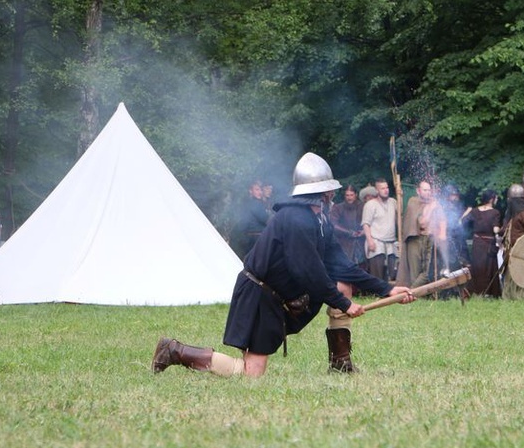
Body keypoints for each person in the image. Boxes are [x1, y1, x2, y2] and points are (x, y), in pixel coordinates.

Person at [151, 153, 415, 378]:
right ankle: (176, 351)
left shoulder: (320, 220)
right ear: (318, 193)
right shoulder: (296, 219)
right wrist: (345, 304)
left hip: (274, 296)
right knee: (250, 373)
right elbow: (309, 271)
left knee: (342, 285)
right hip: (258, 294)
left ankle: (339, 363)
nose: (333, 192)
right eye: (328, 189)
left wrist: (386, 289)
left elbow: (340, 264)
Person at [397, 180, 447, 288]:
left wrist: (442, 234)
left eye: (429, 190)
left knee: (428, 270)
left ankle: (414, 292)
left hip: (430, 239)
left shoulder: (435, 203)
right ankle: (414, 294)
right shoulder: (413, 201)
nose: (428, 192)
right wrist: (430, 208)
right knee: (415, 270)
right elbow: (423, 223)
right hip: (415, 239)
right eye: (425, 190)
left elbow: (443, 219)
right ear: (418, 191)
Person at [461, 190, 502, 298]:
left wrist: (468, 211)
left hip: (477, 243)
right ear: (491, 199)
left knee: (477, 267)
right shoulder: (495, 212)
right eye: (496, 198)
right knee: (488, 268)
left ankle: (476, 291)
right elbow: (496, 230)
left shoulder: (474, 211)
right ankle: (487, 292)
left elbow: (462, 222)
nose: (496, 200)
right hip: (488, 244)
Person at [361, 177, 398, 282]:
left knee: (392, 273)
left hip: (391, 243)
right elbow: (366, 224)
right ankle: (377, 296)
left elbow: (398, 219)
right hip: (377, 243)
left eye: (387, 188)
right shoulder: (370, 205)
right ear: (377, 190)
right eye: (382, 188)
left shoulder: (393, 202)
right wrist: (370, 241)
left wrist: (401, 196)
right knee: (377, 274)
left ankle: (390, 295)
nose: (386, 190)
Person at [231, 180, 270, 260]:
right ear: (250, 191)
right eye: (257, 189)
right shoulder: (255, 203)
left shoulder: (252, 203)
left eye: (261, 190)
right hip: (254, 239)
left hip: (251, 238)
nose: (260, 192)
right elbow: (265, 218)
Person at [328, 184, 365, 269]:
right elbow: (333, 224)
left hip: (361, 242)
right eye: (347, 195)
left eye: (351, 195)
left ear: (355, 195)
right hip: (344, 243)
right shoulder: (338, 208)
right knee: (346, 267)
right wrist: (349, 232)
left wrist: (363, 232)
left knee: (362, 267)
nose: (349, 197)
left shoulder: (362, 206)